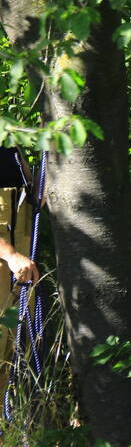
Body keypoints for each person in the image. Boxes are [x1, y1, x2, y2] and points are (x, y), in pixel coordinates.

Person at [0, 148, 41, 393]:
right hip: (10, 259)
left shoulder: (8, 138)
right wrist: (10, 254)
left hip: (18, 272)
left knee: (11, 356)